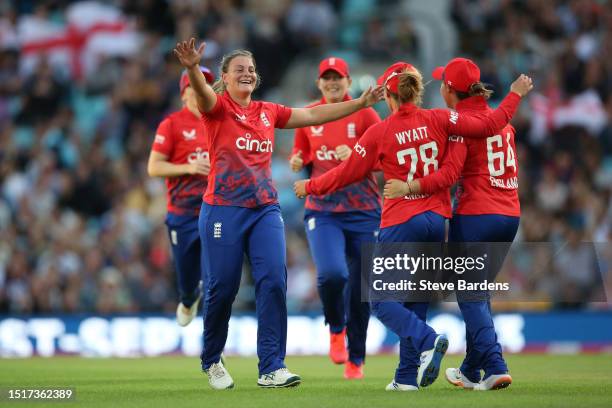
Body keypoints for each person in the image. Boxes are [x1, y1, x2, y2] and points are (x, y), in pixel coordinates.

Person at [294, 61, 533, 390]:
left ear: (389, 97)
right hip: (438, 220)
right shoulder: (441, 119)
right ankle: (406, 377)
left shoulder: (380, 129)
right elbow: (487, 128)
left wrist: (311, 186)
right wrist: (513, 96)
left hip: (401, 219)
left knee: (380, 299)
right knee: (416, 298)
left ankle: (428, 339)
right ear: (416, 91)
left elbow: (347, 172)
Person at [173, 38, 383, 390]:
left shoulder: (268, 111)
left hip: (264, 209)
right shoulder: (217, 107)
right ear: (224, 77)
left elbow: (314, 114)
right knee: (223, 288)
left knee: (273, 282)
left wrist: (359, 103)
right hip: (223, 208)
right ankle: (211, 358)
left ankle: (272, 366)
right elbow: (203, 93)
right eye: (239, 69)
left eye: (251, 70)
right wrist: (193, 68)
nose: (247, 74)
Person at [384, 58, 521, 391]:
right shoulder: (502, 123)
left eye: (442, 85)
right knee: (480, 295)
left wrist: (410, 186)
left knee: (470, 297)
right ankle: (472, 369)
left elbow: (448, 175)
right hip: (510, 215)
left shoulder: (460, 126)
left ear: (449, 89)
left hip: (476, 215)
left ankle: (494, 365)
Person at [289, 57, 381, 379]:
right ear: (318, 83)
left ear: (347, 80)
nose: (332, 83)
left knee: (361, 289)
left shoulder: (365, 112)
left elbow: (385, 159)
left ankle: (357, 358)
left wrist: (358, 154)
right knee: (332, 274)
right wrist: (298, 160)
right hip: (324, 210)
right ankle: (336, 328)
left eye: (337, 77)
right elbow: (301, 152)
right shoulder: (309, 115)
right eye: (326, 78)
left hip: (364, 211)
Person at [147, 65, 215, 327]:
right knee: (188, 279)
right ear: (184, 93)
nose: (200, 89)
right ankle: (188, 298)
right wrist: (189, 167)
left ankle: (213, 349)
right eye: (194, 84)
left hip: (214, 211)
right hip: (183, 214)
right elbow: (154, 167)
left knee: (214, 280)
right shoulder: (172, 124)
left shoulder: (220, 120)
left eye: (205, 84)